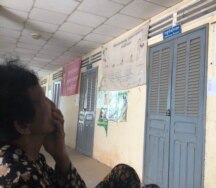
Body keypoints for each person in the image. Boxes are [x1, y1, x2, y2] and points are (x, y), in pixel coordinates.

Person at [0, 59, 144, 188]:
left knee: (123, 173)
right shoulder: (23, 179)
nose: (52, 104)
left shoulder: (28, 155)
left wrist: (60, 155)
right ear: (22, 125)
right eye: (43, 99)